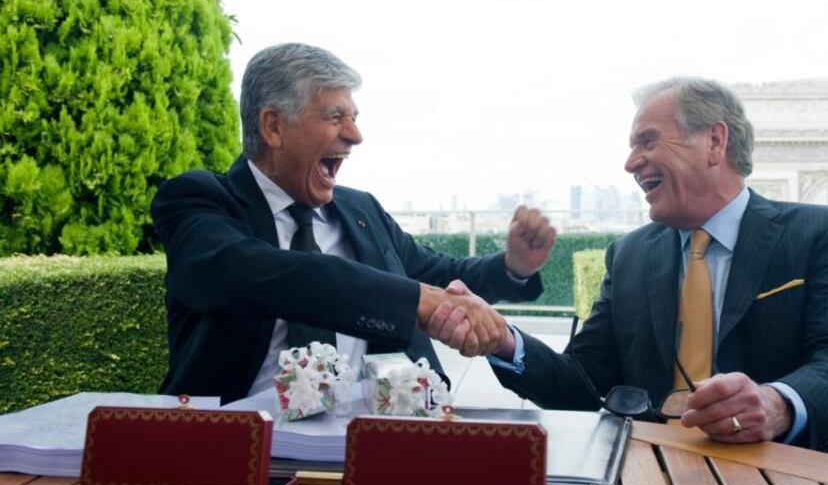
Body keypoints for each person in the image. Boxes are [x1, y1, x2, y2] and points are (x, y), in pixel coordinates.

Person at [430, 78, 828, 460]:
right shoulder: (628, 255)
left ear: (715, 141)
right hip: (653, 477)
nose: (630, 163)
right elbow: (584, 384)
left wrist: (777, 403)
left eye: (647, 141)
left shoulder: (823, 232)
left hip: (794, 477)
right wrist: (503, 339)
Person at [151, 43, 556, 404]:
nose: (355, 135)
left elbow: (438, 275)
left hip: (384, 437)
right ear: (273, 126)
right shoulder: (196, 200)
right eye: (335, 116)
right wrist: (414, 301)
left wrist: (512, 267)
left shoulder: (361, 209)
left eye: (354, 116)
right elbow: (256, 274)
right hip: (240, 451)